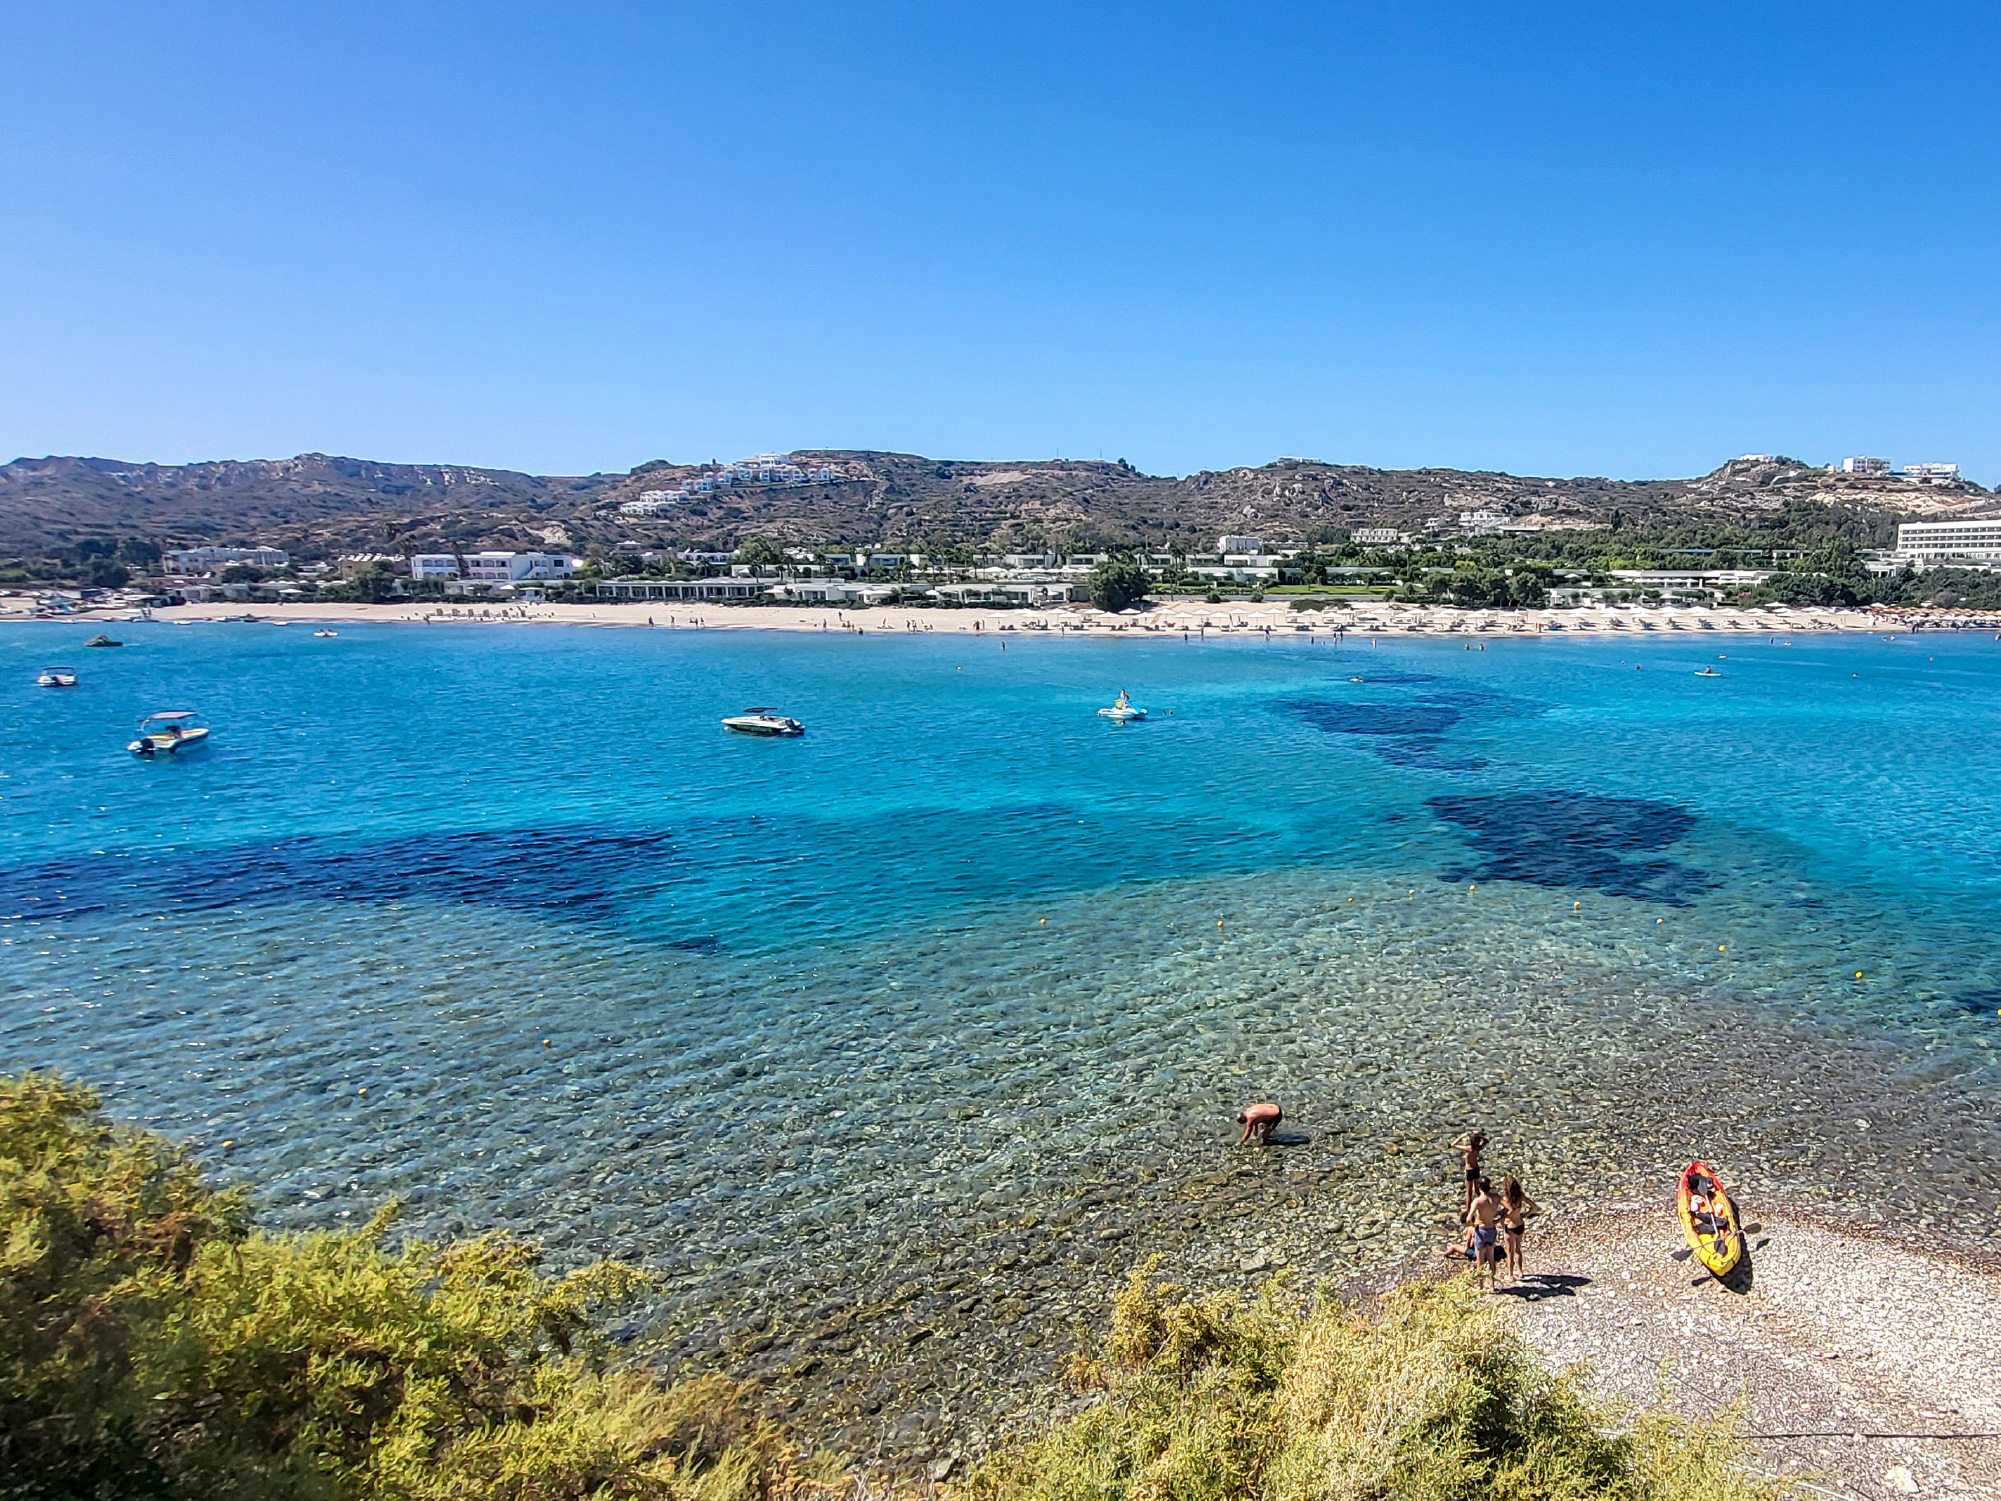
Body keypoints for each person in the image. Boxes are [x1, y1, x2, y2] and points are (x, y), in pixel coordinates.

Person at [1499, 1174, 1540, 1286]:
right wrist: (1525, 1214)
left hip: (1510, 1226)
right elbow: (1534, 1207)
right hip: (1520, 1224)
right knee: (1518, 1249)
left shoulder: (1506, 1200)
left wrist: (1502, 1221)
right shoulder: (1521, 1196)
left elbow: (1503, 1215)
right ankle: (1520, 1271)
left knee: (1509, 1252)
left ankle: (1510, 1274)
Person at [1466, 1177, 1501, 1291]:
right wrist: (1498, 1220)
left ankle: (1480, 1285)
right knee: (1491, 1258)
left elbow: (1468, 1218)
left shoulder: (1478, 1201)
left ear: (1479, 1187)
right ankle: (1492, 1285)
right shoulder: (1496, 1197)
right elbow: (1508, 1209)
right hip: (1491, 1228)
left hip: (1481, 1230)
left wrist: (1473, 1225)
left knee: (1480, 1260)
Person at [1450, 1130, 1487, 1221]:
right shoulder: (1478, 1147)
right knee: (1477, 1190)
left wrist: (1461, 1137)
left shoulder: (1468, 1148)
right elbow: (1486, 1140)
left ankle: (1468, 1211)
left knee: (1469, 1193)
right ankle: (1481, 1206)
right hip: (1476, 1168)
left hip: (1469, 1170)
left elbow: (1453, 1144)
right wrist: (1477, 1135)